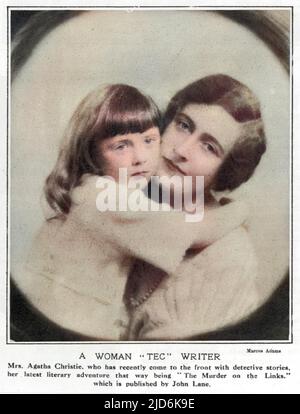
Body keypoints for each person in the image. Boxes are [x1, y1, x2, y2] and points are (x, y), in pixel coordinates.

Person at [11, 83, 248, 341]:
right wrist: (240, 210)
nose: (140, 158)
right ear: (92, 152)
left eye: (148, 141)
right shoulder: (107, 199)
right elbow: (196, 231)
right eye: (122, 146)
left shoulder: (95, 193)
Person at [125, 74, 267, 340]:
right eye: (184, 126)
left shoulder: (226, 258)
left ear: (224, 173)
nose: (183, 150)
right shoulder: (127, 192)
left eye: (209, 147)